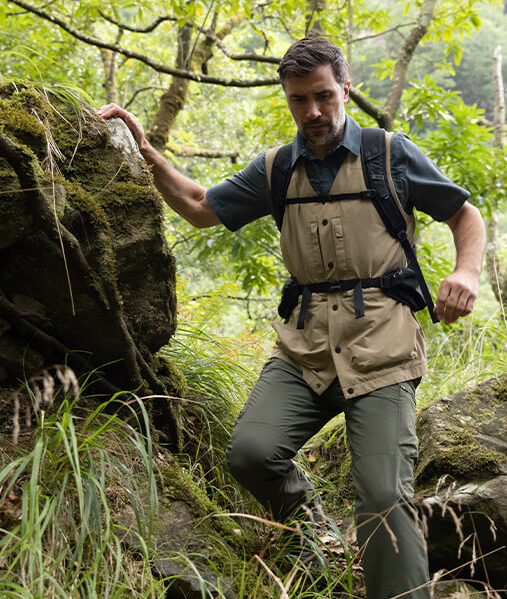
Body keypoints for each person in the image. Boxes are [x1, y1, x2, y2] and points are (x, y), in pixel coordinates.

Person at [99, 37, 486, 599]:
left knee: (382, 495)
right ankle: (316, 537)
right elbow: (201, 208)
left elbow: (464, 214)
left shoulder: (387, 153)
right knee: (251, 453)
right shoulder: (278, 168)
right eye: (299, 100)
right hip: (304, 348)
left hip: (381, 346)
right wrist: (148, 154)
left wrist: (467, 274)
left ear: (345, 90)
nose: (313, 111)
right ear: (287, 99)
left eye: (324, 96)